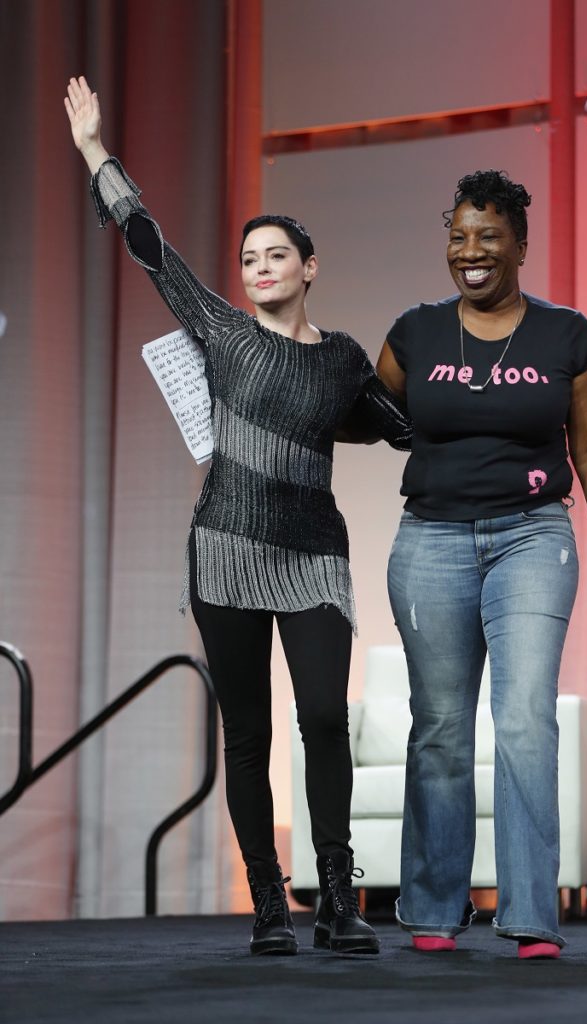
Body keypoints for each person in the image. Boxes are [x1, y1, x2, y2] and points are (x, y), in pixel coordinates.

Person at [65, 76, 410, 957]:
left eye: (274, 256)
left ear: (308, 267)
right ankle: (267, 902)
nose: (258, 268)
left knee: (325, 720)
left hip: (311, 558)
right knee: (248, 735)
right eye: (249, 257)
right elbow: (149, 247)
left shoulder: (339, 360)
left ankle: (337, 895)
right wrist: (97, 152)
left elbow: (399, 429)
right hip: (223, 552)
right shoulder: (221, 331)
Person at [377, 169, 587, 959]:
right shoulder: (415, 332)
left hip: (531, 536)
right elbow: (365, 417)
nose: (471, 251)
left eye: (488, 236)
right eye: (457, 236)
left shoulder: (566, 335)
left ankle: (528, 915)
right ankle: (432, 911)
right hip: (430, 540)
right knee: (441, 728)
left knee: (523, 720)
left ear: (519, 244)